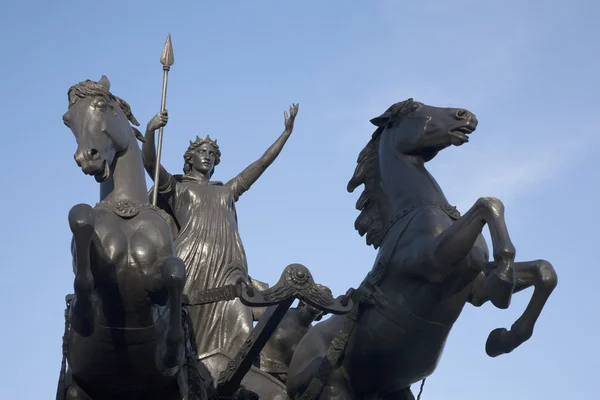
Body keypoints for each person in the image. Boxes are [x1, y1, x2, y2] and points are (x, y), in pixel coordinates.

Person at [141, 104, 299, 365]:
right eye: (202, 152)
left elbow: (260, 164)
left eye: (212, 154)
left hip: (229, 267)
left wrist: (285, 134)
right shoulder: (178, 188)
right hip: (191, 264)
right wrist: (149, 131)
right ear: (190, 158)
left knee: (243, 330)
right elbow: (150, 163)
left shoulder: (227, 190)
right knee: (182, 330)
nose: (207, 157)